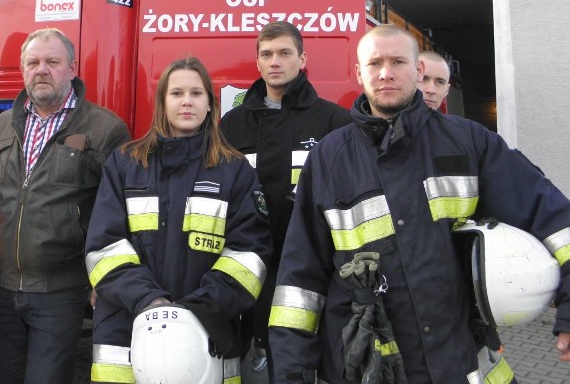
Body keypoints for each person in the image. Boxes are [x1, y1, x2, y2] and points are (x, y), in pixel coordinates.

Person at [268, 24, 570, 383]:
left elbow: (552, 217)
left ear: (418, 71)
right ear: (358, 73)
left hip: (459, 362)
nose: (385, 73)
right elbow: (299, 283)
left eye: (398, 61)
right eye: (374, 63)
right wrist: (291, 374)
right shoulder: (327, 160)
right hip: (369, 366)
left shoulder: (469, 142)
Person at [85, 56, 272, 383]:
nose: (187, 101)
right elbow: (104, 247)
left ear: (211, 105)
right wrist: (151, 300)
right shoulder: (126, 164)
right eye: (177, 93)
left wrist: (197, 308)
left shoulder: (234, 170)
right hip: (125, 330)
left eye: (197, 93)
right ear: (162, 103)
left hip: (208, 329)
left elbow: (249, 254)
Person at [0, 27, 131, 384]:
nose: (41, 69)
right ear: (23, 69)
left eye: (52, 62)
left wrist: (105, 280)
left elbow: (122, 212)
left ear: (72, 68)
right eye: (33, 62)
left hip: (61, 292)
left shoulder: (105, 130)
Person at [220, 21, 350, 376]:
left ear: (302, 58)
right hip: (248, 260)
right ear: (258, 63)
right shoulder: (232, 124)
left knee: (302, 358)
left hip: (311, 262)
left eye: (284, 53)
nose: (275, 61)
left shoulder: (334, 121)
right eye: (267, 54)